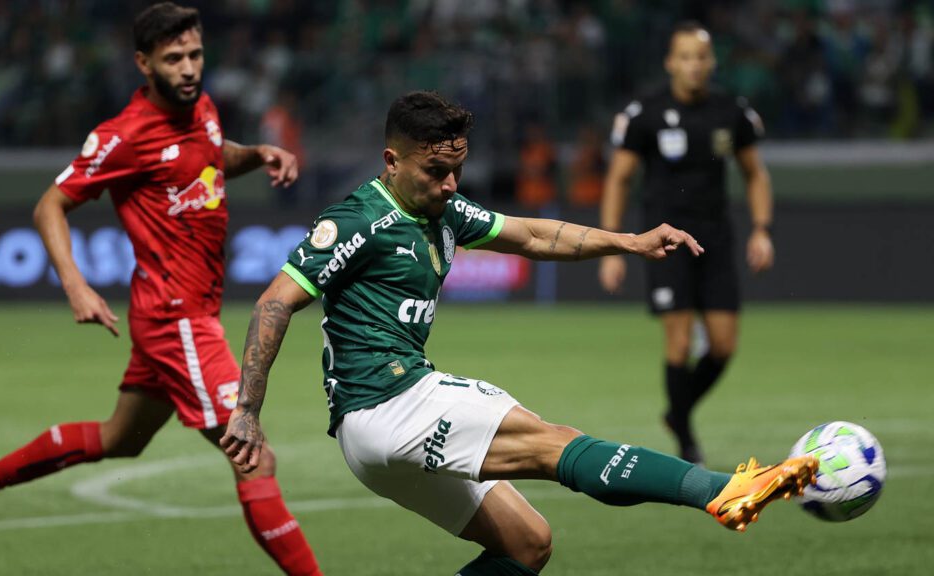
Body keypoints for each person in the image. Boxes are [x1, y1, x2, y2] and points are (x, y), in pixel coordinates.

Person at [220, 91, 815, 574]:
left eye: (457, 170)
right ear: (391, 161)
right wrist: (248, 407)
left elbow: (533, 236)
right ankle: (721, 489)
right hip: (390, 400)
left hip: (372, 442)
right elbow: (274, 302)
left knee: (528, 543)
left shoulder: (443, 209)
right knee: (557, 442)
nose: (451, 184)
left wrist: (628, 242)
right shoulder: (358, 219)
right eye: (435, 171)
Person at [0, 5, 322, 575]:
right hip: (177, 319)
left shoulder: (203, 108)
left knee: (120, 438)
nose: (188, 69)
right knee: (253, 456)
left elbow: (211, 157)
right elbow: (50, 206)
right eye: (173, 59)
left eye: (195, 55)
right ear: (144, 64)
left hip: (179, 315)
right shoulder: (124, 136)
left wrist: (257, 154)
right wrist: (76, 285)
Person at [599, 22, 775, 464]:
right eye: (685, 57)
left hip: (715, 238)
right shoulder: (646, 113)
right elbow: (619, 179)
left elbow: (755, 173)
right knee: (678, 343)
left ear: (711, 63)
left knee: (723, 346)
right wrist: (615, 247)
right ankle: (686, 440)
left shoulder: (730, 112)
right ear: (670, 62)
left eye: (702, 57)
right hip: (666, 243)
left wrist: (761, 228)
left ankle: (677, 413)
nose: (694, 65)